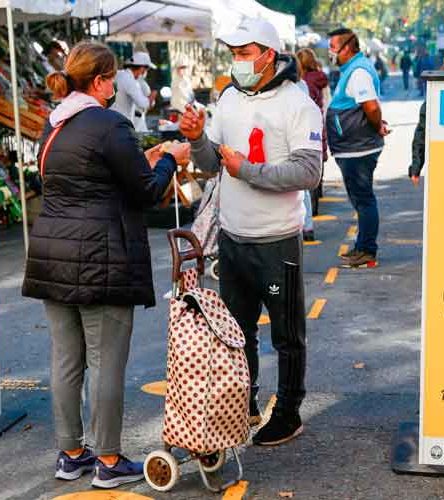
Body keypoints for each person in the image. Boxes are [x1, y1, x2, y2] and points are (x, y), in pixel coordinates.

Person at [22, 42, 190, 488]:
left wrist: (146, 161)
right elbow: (146, 192)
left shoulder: (54, 124)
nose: (115, 85)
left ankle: (71, 453)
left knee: (66, 360)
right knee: (106, 362)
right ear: (99, 81)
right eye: (112, 78)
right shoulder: (110, 123)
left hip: (52, 257)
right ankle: (110, 460)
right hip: (100, 258)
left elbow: (85, 179)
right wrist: (171, 159)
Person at [179, 18, 323, 446]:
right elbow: (210, 162)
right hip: (233, 236)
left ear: (269, 55)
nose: (237, 60)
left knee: (288, 335)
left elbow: (309, 171)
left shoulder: (298, 104)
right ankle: (245, 402)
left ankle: (289, 412)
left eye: (244, 53)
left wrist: (249, 171)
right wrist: (198, 137)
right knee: (235, 332)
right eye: (234, 53)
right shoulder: (229, 98)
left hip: (278, 240)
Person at [326, 27, 389, 268]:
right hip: (354, 147)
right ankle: (362, 246)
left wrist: (375, 126)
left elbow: (371, 107)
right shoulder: (351, 70)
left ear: (347, 48)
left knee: (364, 200)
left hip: (358, 148)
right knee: (360, 200)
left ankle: (367, 250)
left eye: (333, 47)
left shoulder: (358, 72)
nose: (331, 52)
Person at [409, 62, 444, 186]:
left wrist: (415, 168)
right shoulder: (434, 102)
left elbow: (420, 136)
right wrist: (415, 168)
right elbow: (422, 135)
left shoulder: (434, 100)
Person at [297, 47, 330, 238]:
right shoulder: (320, 79)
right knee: (312, 174)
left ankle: (306, 224)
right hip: (316, 126)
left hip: (300, 133)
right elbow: (327, 102)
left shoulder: (299, 85)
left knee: (299, 186)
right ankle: (309, 223)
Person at [111, 51, 157, 132]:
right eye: (147, 69)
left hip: (113, 121)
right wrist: (153, 95)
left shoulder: (120, 75)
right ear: (142, 68)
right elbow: (144, 104)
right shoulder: (130, 80)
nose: (146, 72)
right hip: (122, 125)